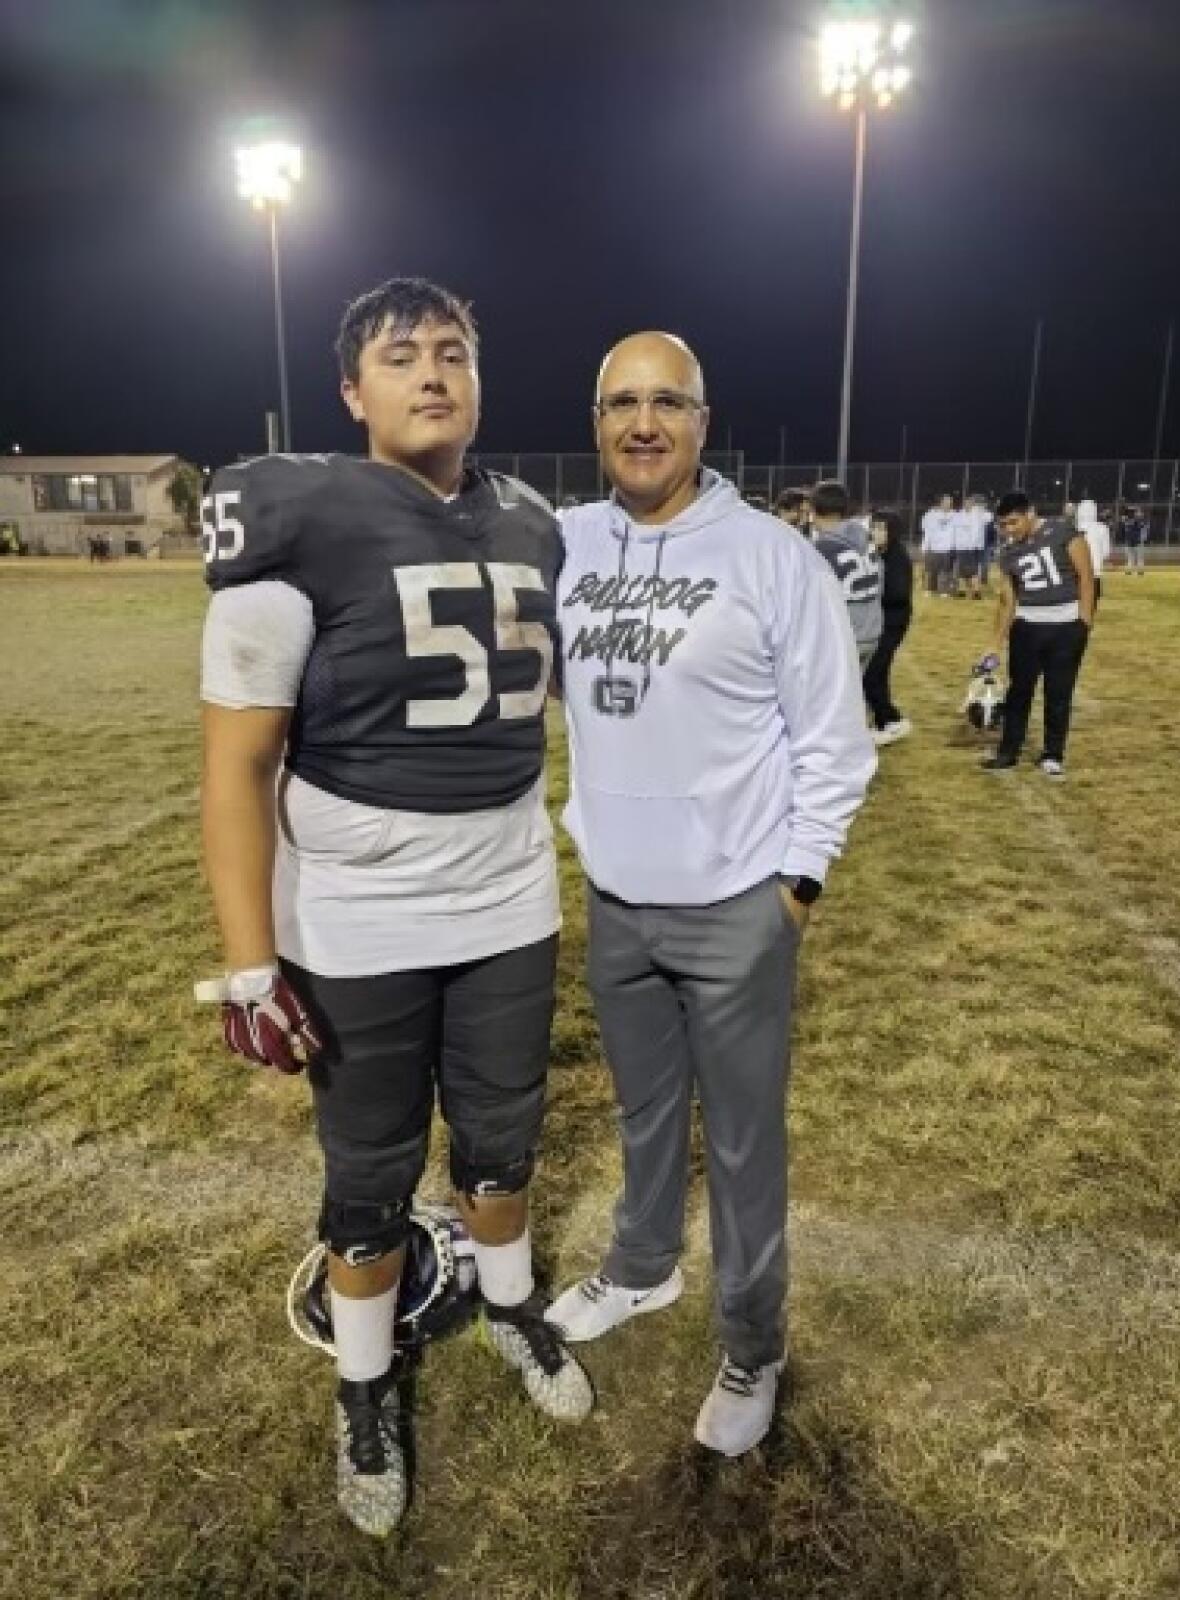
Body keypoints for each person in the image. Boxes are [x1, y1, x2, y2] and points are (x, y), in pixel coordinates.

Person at [199, 276, 592, 1540]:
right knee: (368, 1175)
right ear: (352, 390)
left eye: (455, 353)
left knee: (502, 1140)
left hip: (508, 893)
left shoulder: (534, 522)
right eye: (403, 355)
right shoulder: (293, 515)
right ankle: (364, 1380)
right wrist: (252, 964)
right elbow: (237, 765)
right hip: (360, 916)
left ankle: (514, 1302)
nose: (434, 373)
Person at [546, 331, 876, 1457]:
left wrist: (797, 883)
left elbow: (837, 739)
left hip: (741, 904)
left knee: (740, 1144)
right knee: (644, 1115)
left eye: (668, 402)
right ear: (595, 422)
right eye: (621, 402)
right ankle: (641, 1269)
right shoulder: (566, 544)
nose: (644, 423)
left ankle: (751, 1341)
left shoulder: (774, 557)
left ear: (703, 418)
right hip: (617, 902)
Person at [977, 490, 1095, 779]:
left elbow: (1086, 578)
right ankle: (1008, 751)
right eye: (1003, 524)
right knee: (1019, 692)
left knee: (1058, 693)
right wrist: (994, 643)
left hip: (1066, 628)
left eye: (1013, 522)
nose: (1008, 530)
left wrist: (1084, 622)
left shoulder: (1064, 532)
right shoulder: (1008, 552)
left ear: (1030, 514)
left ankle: (1053, 754)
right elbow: (1007, 601)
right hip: (1027, 628)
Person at [809, 480, 883, 668]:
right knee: (854, 693)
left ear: (813, 510)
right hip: (870, 631)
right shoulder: (865, 536)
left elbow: (812, 602)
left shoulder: (822, 548)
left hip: (842, 637)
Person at [863, 509, 914, 744]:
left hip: (892, 622)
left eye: (882, 528)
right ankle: (885, 721)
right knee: (877, 673)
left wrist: (871, 592)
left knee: (873, 673)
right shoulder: (874, 553)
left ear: (892, 532)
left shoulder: (897, 557)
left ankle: (891, 720)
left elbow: (898, 594)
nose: (876, 532)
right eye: (874, 526)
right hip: (878, 620)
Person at [1075, 498, 1111, 609]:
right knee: (1090, 608)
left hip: (1075, 574)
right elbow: (1106, 553)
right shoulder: (1102, 528)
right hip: (1094, 573)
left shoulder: (1073, 528)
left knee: (1074, 609)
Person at [952, 495, 988, 599]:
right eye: (967, 503)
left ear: (973, 504)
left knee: (974, 570)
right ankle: (961, 590)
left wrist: (981, 509)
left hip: (974, 548)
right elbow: (954, 531)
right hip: (961, 547)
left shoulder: (979, 515)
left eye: (971, 503)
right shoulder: (958, 516)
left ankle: (976, 591)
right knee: (961, 570)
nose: (969, 505)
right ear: (964, 504)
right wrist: (954, 545)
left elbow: (989, 517)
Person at [920, 493, 956, 596]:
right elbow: (927, 531)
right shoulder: (931, 515)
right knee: (931, 570)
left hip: (948, 548)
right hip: (933, 547)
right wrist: (924, 547)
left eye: (950, 502)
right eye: (945, 502)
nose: (948, 504)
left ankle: (944, 590)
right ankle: (930, 589)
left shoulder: (955, 515)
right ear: (941, 503)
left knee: (946, 571)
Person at [1122, 504, 1149, 574]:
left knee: (1131, 558)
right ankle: (1139, 571)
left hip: (1130, 542)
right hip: (1137, 541)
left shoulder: (1126, 520)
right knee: (1138, 558)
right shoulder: (1136, 521)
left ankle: (1129, 571)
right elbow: (1142, 525)